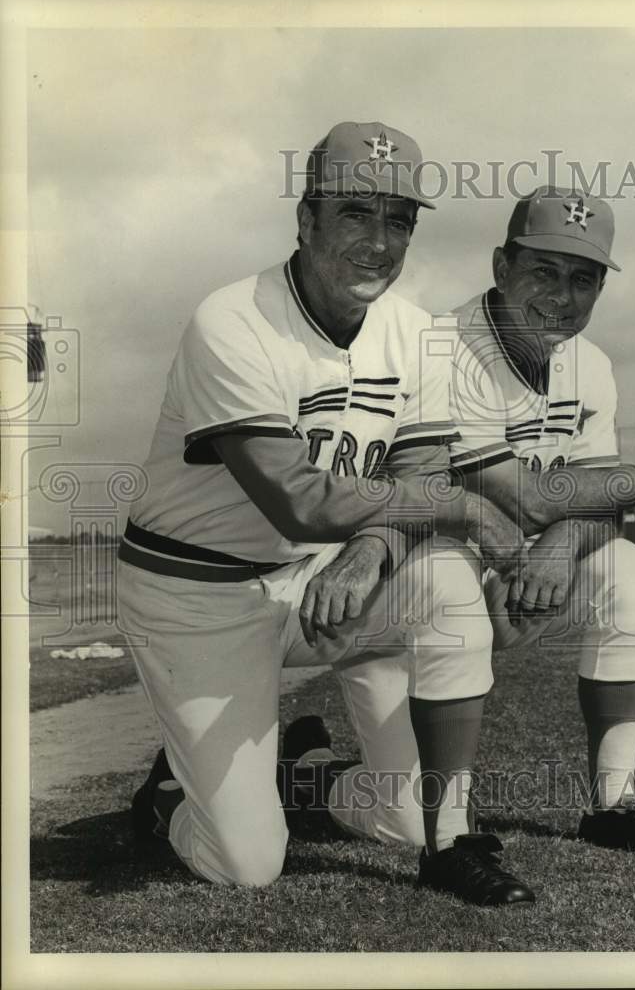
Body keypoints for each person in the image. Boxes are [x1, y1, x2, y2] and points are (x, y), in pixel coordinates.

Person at [120, 120, 585, 906]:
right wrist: (461, 511)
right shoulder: (231, 320)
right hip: (195, 594)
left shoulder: (416, 334)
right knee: (247, 863)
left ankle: (394, 817)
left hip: (315, 584)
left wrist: (370, 553)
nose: (379, 242)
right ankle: (171, 794)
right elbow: (299, 498)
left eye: (398, 220)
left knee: (438, 588)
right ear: (305, 220)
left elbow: (417, 470)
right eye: (354, 214)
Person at [447, 186, 635, 854]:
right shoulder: (448, 348)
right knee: (393, 810)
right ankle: (309, 768)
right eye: (544, 272)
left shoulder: (591, 366)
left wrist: (562, 542)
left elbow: (597, 503)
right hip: (423, 580)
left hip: (518, 571)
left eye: (584, 280)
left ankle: (613, 804)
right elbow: (514, 494)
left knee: (624, 566)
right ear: (501, 268)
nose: (564, 296)